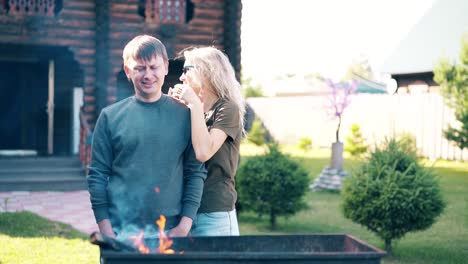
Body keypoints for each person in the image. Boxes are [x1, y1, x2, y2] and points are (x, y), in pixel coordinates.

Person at [87, 35, 207, 239]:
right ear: (127, 71)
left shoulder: (186, 116)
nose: (148, 75)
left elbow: (195, 172)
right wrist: (106, 229)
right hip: (121, 230)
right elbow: (97, 176)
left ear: (166, 67)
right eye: (140, 68)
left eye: (154, 67)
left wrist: (185, 225)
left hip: (170, 231)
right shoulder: (110, 117)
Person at [169, 46, 246, 236]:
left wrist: (194, 103)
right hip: (184, 213)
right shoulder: (193, 110)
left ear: (206, 71)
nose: (181, 78)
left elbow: (204, 152)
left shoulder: (228, 109)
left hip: (214, 213)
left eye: (186, 70)